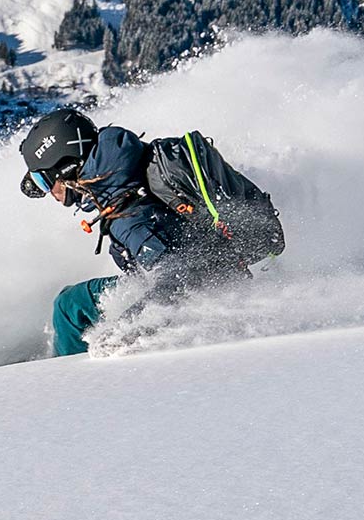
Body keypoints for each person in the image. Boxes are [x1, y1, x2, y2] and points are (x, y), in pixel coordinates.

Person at [18, 108, 284, 356]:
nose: (47, 193)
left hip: (209, 285)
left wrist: (123, 330)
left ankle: (70, 380)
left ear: (67, 167)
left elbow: (180, 277)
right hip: (208, 269)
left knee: (69, 307)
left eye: (44, 181)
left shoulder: (128, 211)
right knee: (71, 301)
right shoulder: (124, 169)